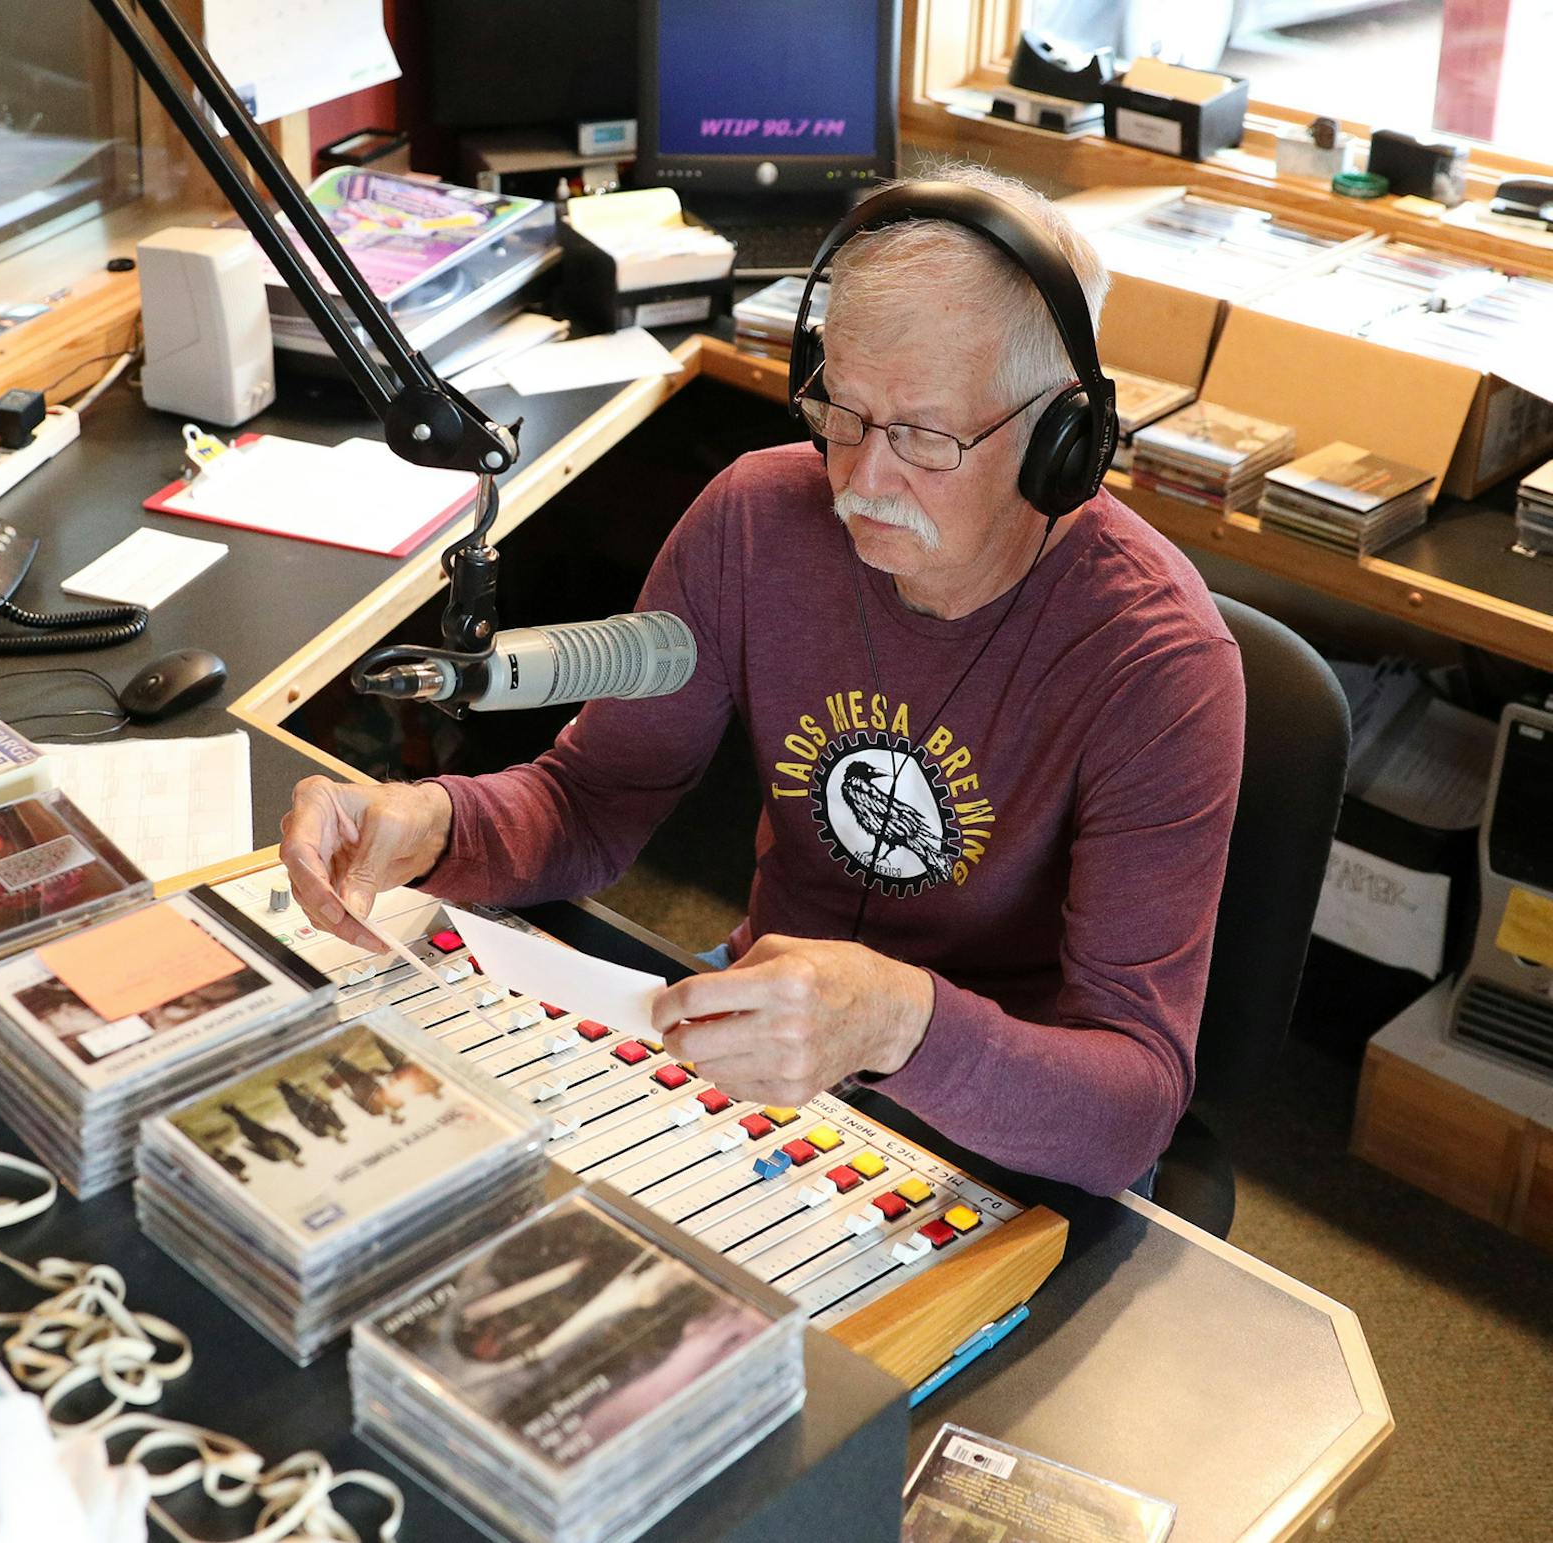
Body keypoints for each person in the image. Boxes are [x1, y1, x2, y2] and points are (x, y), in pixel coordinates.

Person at [278, 165, 1245, 1197]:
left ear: (1060, 439)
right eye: (841, 412)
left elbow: (1129, 1108)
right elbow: (593, 797)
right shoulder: (756, 519)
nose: (861, 481)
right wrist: (430, 824)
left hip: (1009, 1134)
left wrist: (890, 1020)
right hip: (759, 1054)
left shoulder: (1162, 665)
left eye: (922, 435)